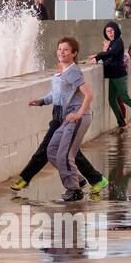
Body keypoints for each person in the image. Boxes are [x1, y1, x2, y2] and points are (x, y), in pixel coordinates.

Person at [35, 37, 96, 203]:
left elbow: (89, 94)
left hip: (77, 118)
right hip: (66, 118)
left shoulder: (73, 71)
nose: (62, 52)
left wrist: (78, 114)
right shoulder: (62, 71)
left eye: (66, 50)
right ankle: (77, 179)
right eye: (59, 49)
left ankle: (74, 190)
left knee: (64, 154)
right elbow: (57, 95)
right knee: (52, 151)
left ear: (74, 53)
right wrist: (41, 101)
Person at [89, 20, 131, 127]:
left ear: (116, 31)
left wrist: (98, 56)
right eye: (107, 32)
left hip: (119, 76)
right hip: (113, 75)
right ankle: (121, 122)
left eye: (111, 31)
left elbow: (111, 53)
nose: (110, 33)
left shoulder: (118, 41)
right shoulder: (112, 42)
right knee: (111, 100)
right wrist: (99, 55)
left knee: (125, 98)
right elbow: (109, 54)